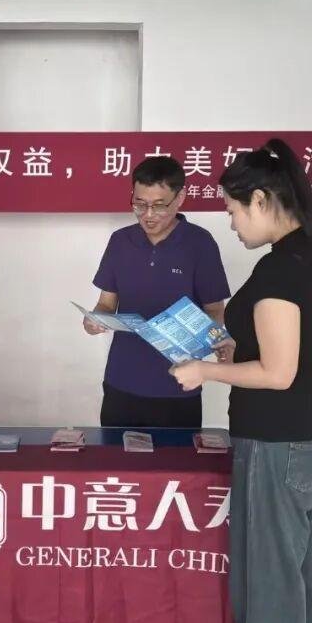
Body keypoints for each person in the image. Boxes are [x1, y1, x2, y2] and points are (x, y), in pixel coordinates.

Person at [171, 139, 312, 623]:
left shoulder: (280, 269)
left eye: (233, 210)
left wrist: (206, 370)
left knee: (271, 578)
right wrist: (235, 349)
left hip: (278, 442)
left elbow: (278, 372)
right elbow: (302, 350)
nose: (231, 222)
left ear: (260, 199)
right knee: (302, 572)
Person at [84, 155, 231, 428]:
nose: (148, 214)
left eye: (159, 205)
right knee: (115, 455)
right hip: (122, 383)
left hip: (178, 386)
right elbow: (105, 304)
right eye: (139, 204)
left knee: (176, 457)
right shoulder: (120, 241)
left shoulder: (200, 244)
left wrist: (196, 339)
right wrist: (94, 320)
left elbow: (215, 310)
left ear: (180, 198)